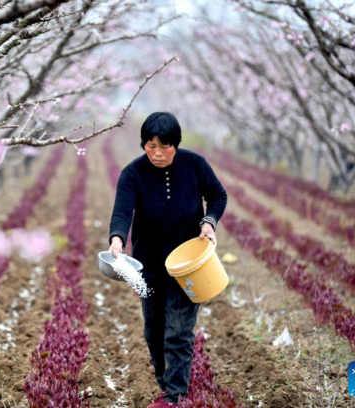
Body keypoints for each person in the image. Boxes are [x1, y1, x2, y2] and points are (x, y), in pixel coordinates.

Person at [108, 112, 228, 407]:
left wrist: (209, 222)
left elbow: (217, 195)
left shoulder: (195, 165)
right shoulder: (133, 173)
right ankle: (167, 385)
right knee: (154, 331)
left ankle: (175, 396)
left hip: (188, 265)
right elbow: (123, 211)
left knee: (178, 332)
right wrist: (117, 239)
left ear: (177, 144)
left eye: (164, 147)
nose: (157, 154)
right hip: (147, 268)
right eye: (150, 146)